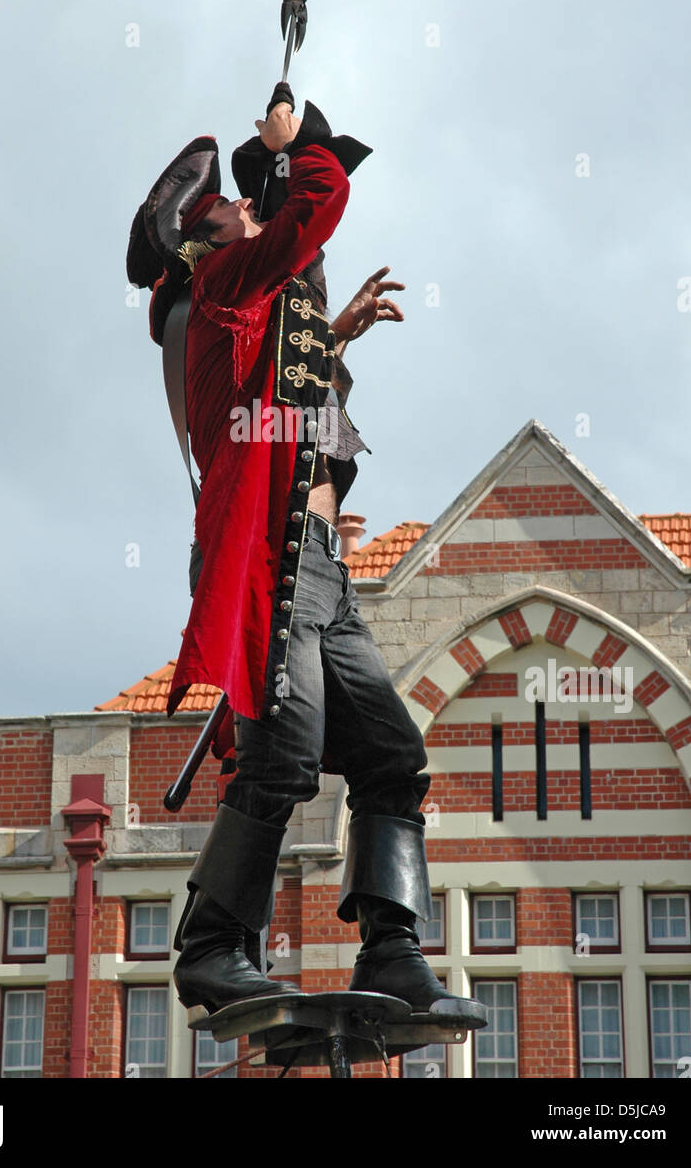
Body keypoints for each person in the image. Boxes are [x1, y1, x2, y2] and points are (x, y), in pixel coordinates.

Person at [128, 93, 485, 1027]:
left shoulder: (244, 309)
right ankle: (211, 951)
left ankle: (393, 955)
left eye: (250, 201)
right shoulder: (214, 287)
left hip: (321, 564)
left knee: (392, 755)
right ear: (201, 243)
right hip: (275, 563)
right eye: (234, 209)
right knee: (283, 756)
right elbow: (312, 211)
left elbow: (284, 379)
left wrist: (333, 337)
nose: (251, 207)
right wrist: (299, 150)